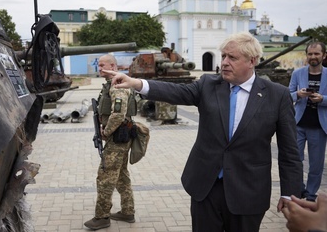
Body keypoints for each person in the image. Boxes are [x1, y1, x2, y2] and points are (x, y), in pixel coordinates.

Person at [102, 32, 303, 232]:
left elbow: (289, 152)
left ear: (252, 61)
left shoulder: (278, 95)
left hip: (248, 191)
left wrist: (289, 194)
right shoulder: (209, 84)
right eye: (223, 55)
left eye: (232, 57)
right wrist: (137, 83)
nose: (224, 62)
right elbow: (176, 92)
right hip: (206, 187)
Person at [84, 54, 138, 230]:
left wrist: (106, 132)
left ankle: (102, 217)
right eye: (98, 65)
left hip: (117, 138)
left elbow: (118, 114)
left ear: (113, 67)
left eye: (102, 65)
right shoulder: (112, 83)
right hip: (120, 136)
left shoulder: (117, 85)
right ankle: (127, 212)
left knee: (105, 177)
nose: (99, 68)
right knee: (121, 175)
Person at [288, 41, 327, 202]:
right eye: (310, 54)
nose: (313, 57)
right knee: (295, 161)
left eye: (316, 53)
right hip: (298, 124)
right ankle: (298, 190)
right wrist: (298, 94)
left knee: (316, 165)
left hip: (319, 126)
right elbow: (287, 96)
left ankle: (311, 195)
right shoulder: (298, 74)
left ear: (324, 55)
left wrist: (322, 99)